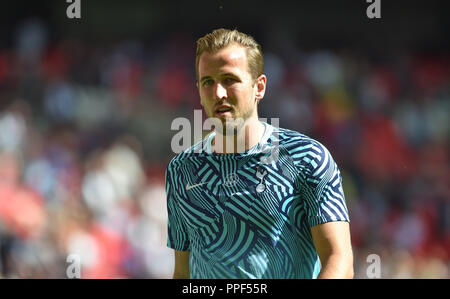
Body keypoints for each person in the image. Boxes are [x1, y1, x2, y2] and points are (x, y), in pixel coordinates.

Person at [165, 28, 353, 279]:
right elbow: (182, 271)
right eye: (208, 82)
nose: (218, 93)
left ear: (259, 86)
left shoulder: (306, 157)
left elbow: (339, 258)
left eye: (229, 79)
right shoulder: (181, 170)